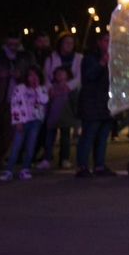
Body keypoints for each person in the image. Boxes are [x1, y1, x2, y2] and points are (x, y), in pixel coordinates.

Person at [34, 33, 82, 168]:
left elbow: (79, 77)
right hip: (54, 95)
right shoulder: (51, 58)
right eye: (66, 42)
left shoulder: (79, 58)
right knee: (51, 129)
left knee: (66, 129)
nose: (69, 45)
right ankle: (47, 157)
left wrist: (68, 86)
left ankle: (64, 158)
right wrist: (51, 88)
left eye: (71, 43)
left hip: (69, 96)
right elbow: (46, 75)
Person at [0, 35, 28, 168]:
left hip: (16, 99)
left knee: (8, 130)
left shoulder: (24, 56)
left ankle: (0, 156)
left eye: (15, 44)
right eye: (10, 44)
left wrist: (20, 75)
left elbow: (32, 73)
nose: (13, 47)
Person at [0, 65, 48, 181]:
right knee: (16, 146)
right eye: (30, 75)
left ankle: (25, 169)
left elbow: (44, 100)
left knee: (30, 146)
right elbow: (14, 105)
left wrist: (37, 88)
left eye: (36, 75)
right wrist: (17, 121)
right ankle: (8, 170)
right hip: (22, 121)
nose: (33, 78)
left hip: (35, 121)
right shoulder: (19, 88)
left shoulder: (42, 89)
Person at [75, 33, 113, 177]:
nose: (108, 43)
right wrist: (102, 63)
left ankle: (99, 165)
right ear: (99, 42)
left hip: (105, 102)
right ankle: (82, 166)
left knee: (102, 136)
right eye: (106, 40)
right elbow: (89, 76)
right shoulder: (90, 57)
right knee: (89, 135)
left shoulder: (112, 57)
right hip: (91, 102)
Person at [41, 65, 78, 169]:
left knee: (65, 140)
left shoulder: (71, 89)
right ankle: (46, 159)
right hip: (52, 118)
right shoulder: (51, 89)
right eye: (57, 73)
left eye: (62, 73)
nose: (60, 75)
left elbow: (74, 103)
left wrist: (74, 115)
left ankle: (64, 159)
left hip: (66, 117)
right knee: (49, 140)